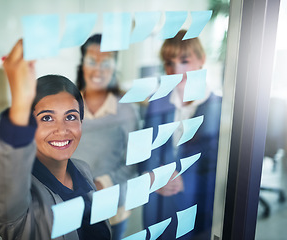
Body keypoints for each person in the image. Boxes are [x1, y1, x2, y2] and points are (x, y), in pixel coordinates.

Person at [0, 39, 111, 240]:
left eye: (70, 117)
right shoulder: (17, 190)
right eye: (47, 118)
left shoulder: (82, 169)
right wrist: (20, 103)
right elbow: (7, 190)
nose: (62, 130)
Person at [138, 30, 222, 239]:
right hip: (156, 209)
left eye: (184, 61)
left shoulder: (220, 108)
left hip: (195, 212)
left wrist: (185, 180)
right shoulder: (157, 102)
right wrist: (151, 174)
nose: (176, 70)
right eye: (169, 63)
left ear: (201, 60)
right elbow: (143, 150)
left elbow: (223, 170)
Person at [72, 34, 140, 240]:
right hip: (73, 208)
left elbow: (135, 163)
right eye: (92, 61)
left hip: (111, 212)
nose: (98, 69)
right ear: (82, 64)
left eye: (106, 62)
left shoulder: (126, 110)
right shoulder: (68, 106)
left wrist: (101, 183)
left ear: (114, 66)